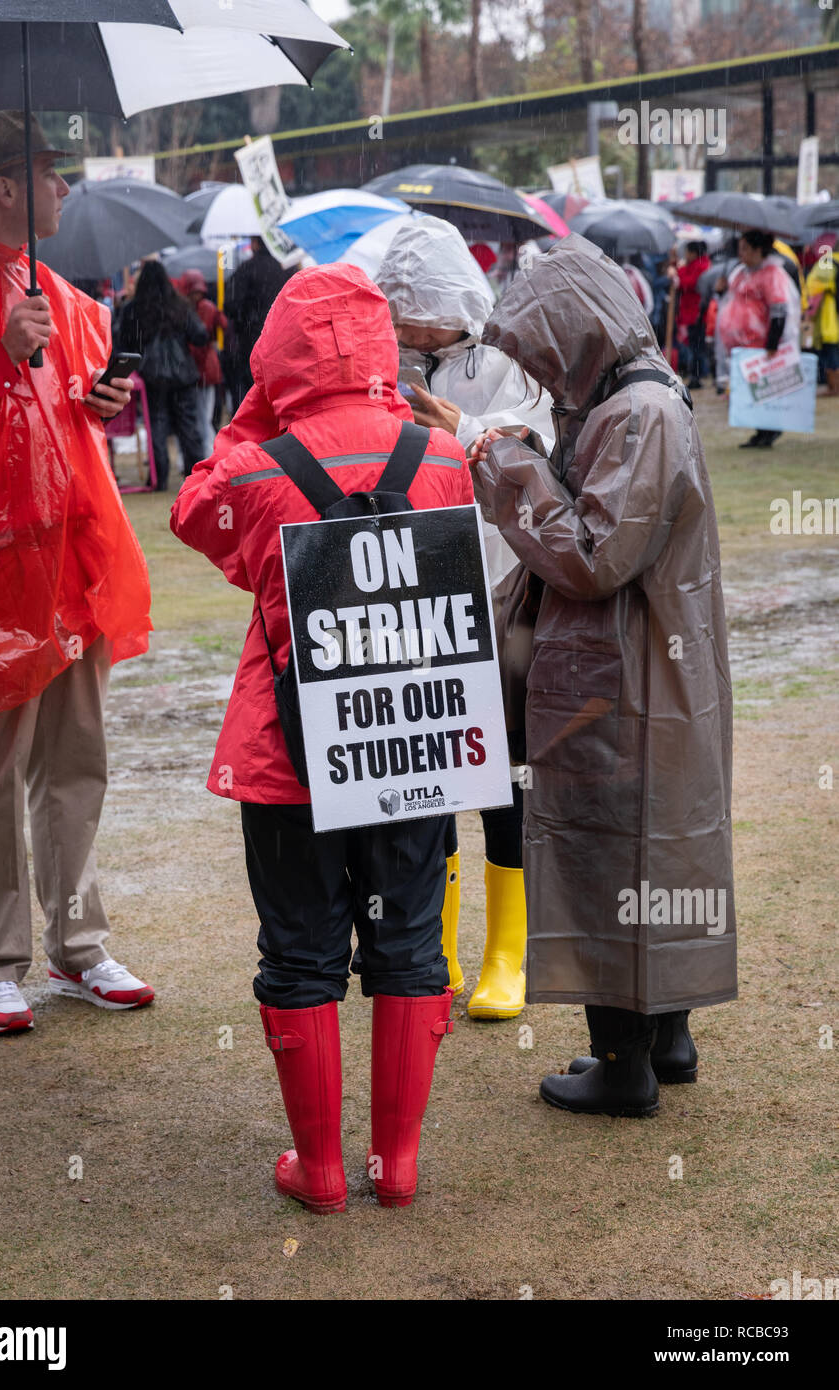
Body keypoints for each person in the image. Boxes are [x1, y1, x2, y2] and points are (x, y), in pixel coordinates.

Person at [171, 264, 473, 1212]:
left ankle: (324, 1171)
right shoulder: (442, 458)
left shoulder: (254, 469)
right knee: (412, 941)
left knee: (300, 948)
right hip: (410, 748)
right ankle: (399, 1163)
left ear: (276, 359)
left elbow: (194, 518)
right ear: (383, 348)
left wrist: (258, 411)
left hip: (287, 754)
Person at [471, 233, 737, 1117]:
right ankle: (666, 1036)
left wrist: (513, 477)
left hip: (622, 679)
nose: (545, 378)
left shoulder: (637, 414)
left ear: (581, 331)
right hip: (649, 669)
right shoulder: (639, 398)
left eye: (548, 357)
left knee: (607, 846)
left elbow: (590, 556)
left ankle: (623, 1062)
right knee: (659, 841)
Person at [0, 111, 154, 1034]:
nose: (64, 189)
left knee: (75, 759)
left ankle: (80, 944)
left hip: (70, 559)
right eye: (51, 174)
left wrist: (102, 399)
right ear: (6, 184)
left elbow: (62, 418)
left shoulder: (44, 284)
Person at [375, 214, 554, 1020]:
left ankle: (508, 951)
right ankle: (434, 943)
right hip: (420, 596)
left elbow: (541, 456)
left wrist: (464, 430)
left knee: (506, 768)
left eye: (425, 313)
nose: (413, 328)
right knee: (428, 765)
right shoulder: (382, 363)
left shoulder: (508, 366)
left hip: (505, 585)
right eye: (400, 314)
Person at [115, 259, 209, 489]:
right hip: (183, 374)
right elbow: (200, 335)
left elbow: (122, 342)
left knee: (156, 424)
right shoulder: (180, 305)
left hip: (152, 375)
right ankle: (196, 477)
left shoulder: (133, 309)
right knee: (189, 426)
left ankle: (160, 477)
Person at [716, 229, 800, 448]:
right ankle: (761, 430)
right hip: (740, 345)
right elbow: (731, 301)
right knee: (746, 391)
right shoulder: (741, 272)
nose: (741, 253)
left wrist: (773, 342)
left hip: (759, 343)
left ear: (757, 249)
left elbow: (779, 309)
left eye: (745, 248)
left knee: (760, 390)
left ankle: (768, 430)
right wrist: (721, 290)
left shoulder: (772, 274)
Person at [226, 235, 297, 409]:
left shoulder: (246, 269)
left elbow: (230, 305)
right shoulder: (288, 269)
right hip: (284, 340)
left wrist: (246, 318)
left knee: (252, 390)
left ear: (256, 244)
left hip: (251, 340)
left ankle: (252, 432)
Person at [177, 268, 228, 454]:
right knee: (203, 418)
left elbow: (220, 327)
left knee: (202, 418)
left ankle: (208, 455)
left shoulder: (190, 309)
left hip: (201, 369)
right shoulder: (205, 307)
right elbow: (223, 325)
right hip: (203, 368)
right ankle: (208, 454)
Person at [671, 240, 711, 388]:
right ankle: (696, 374)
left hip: (698, 313)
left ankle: (697, 375)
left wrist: (677, 276)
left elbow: (689, 283)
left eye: (687, 252)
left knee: (697, 346)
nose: (686, 255)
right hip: (691, 312)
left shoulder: (702, 267)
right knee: (694, 345)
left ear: (694, 253)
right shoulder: (694, 265)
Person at [805, 235, 839, 396]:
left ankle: (834, 387)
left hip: (830, 315)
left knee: (830, 351)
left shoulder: (827, 263)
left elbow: (811, 287)